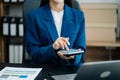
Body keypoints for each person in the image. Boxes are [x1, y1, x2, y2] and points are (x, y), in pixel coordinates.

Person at [25, 0, 86, 66]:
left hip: (71, 69)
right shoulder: (33, 16)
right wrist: (52, 48)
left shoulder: (79, 16)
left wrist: (73, 56)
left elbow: (81, 50)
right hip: (45, 69)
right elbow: (34, 53)